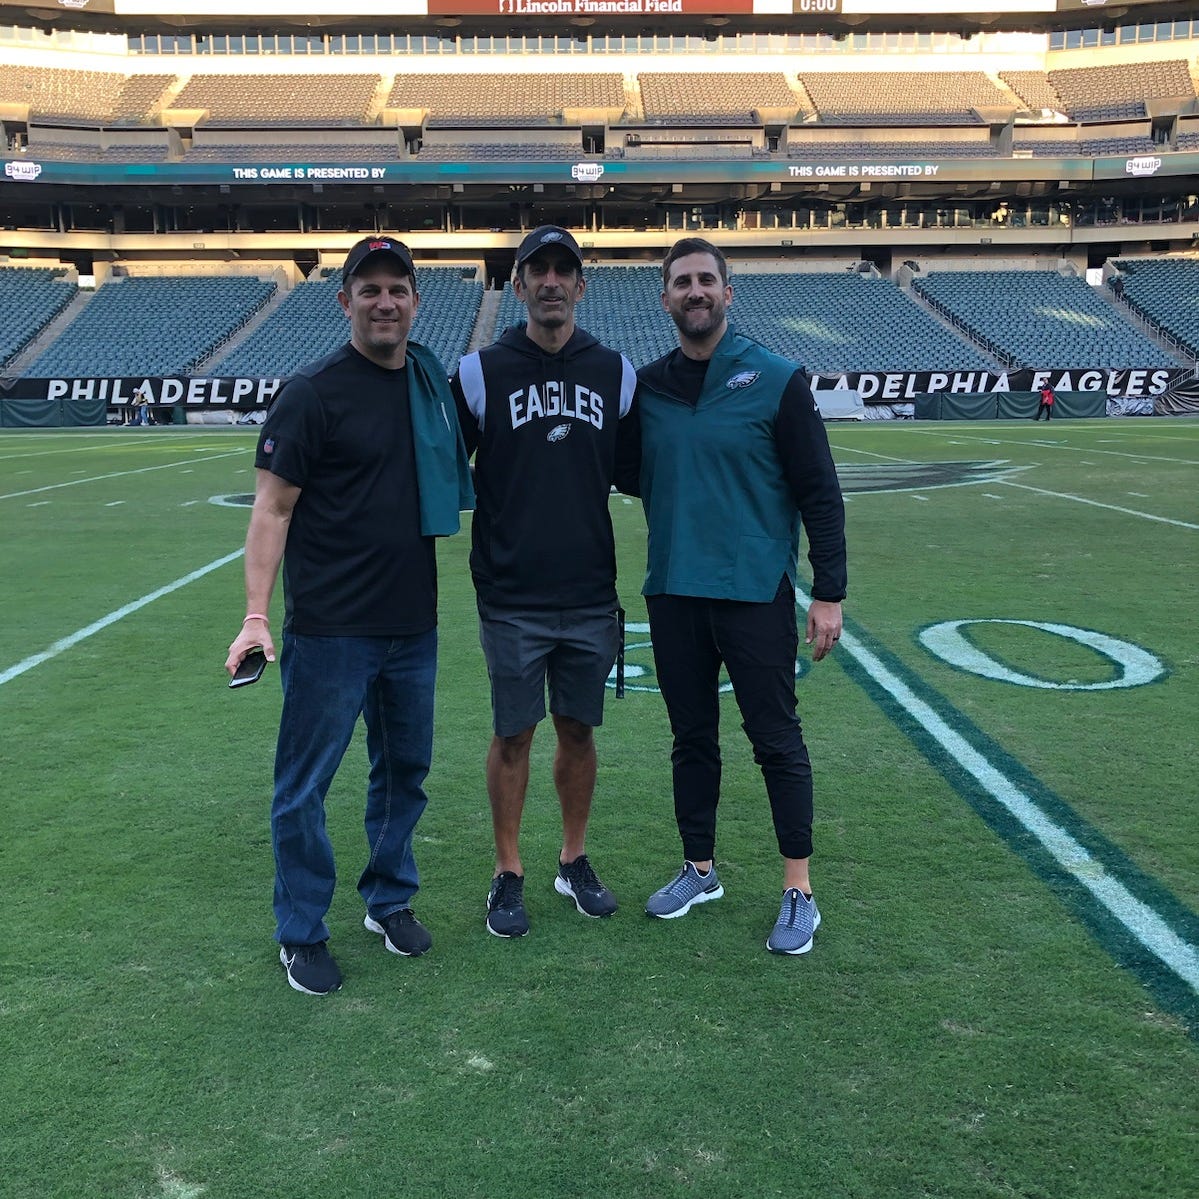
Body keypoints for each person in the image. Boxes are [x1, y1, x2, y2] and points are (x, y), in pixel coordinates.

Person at [224, 236, 474, 995]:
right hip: (330, 627)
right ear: (345, 303)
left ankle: (388, 899)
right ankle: (300, 930)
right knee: (304, 785)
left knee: (404, 772)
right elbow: (272, 509)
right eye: (368, 289)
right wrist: (256, 616)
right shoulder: (313, 391)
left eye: (396, 288)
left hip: (412, 623)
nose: (384, 301)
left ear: (414, 301)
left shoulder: (429, 384)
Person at [617, 237, 847, 956]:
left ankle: (798, 889)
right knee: (690, 740)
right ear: (664, 298)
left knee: (775, 740)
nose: (694, 291)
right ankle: (700, 867)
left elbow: (818, 490)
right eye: (681, 282)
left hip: (752, 590)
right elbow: (624, 472)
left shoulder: (776, 378)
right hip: (673, 589)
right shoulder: (646, 388)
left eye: (705, 280)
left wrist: (828, 592)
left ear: (726, 292)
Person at [451, 225, 636, 938]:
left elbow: (643, 468)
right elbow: (441, 470)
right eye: (539, 270)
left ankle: (572, 855)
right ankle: (507, 868)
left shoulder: (615, 373)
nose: (552, 281)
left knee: (579, 731)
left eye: (564, 270)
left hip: (590, 591)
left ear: (581, 286)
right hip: (510, 593)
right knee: (512, 735)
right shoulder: (477, 373)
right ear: (519, 285)